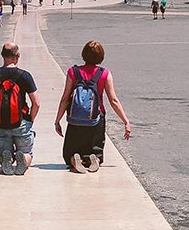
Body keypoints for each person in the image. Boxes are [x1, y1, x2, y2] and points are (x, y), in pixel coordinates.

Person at [54, 40, 131, 173]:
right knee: (95, 148)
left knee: (70, 152)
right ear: (101, 56)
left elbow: (65, 99)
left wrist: (58, 120)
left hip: (75, 118)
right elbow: (113, 100)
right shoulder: (104, 73)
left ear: (84, 54)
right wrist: (126, 121)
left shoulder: (73, 72)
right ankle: (93, 158)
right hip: (96, 117)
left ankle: (74, 159)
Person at [0, 42, 40, 176]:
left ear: (2, 56)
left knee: (3, 152)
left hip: (0, 123)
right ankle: (23, 160)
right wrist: (30, 120)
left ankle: (5, 158)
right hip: (21, 122)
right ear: (17, 56)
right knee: (27, 153)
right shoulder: (25, 76)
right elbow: (36, 103)